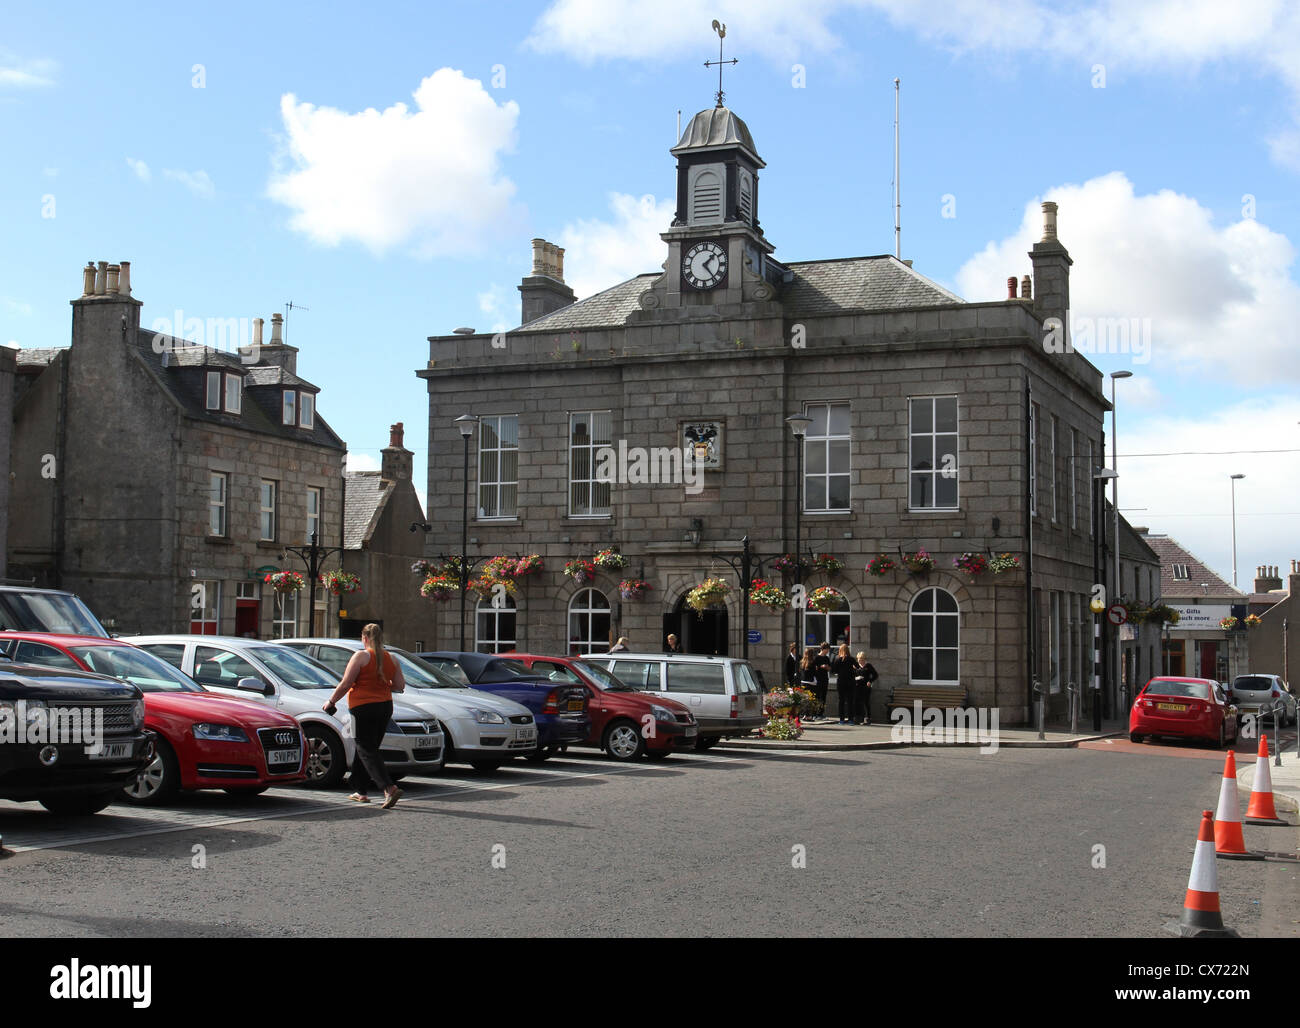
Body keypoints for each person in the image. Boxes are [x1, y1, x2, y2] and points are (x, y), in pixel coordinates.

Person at [323, 623, 406, 809]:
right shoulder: (392, 658)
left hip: (363, 706)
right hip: (385, 706)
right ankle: (360, 790)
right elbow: (400, 685)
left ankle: (389, 787)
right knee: (370, 748)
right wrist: (382, 686)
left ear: (364, 638)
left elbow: (346, 684)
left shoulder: (360, 656)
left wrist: (331, 702)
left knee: (365, 747)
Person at [831, 643, 856, 724]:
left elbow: (834, 670)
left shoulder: (838, 659)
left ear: (840, 650)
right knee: (850, 701)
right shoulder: (851, 659)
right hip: (850, 682)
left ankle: (841, 719)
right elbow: (858, 668)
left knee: (841, 701)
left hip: (841, 682)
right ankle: (851, 719)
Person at [855, 652, 879, 725]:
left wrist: (870, 681)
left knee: (866, 702)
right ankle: (859, 718)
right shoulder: (856, 666)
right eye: (858, 659)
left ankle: (867, 718)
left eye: (861, 659)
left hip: (866, 687)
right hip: (858, 686)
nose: (859, 660)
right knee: (858, 702)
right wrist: (856, 678)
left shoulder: (868, 666)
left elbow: (875, 675)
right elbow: (852, 675)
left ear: (864, 659)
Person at [812, 643, 832, 721]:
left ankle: (821, 713)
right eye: (827, 649)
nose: (828, 651)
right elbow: (814, 668)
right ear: (823, 649)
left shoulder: (827, 658)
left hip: (825, 679)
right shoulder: (816, 658)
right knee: (817, 697)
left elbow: (830, 668)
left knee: (823, 697)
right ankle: (815, 713)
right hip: (818, 679)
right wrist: (821, 666)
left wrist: (827, 667)